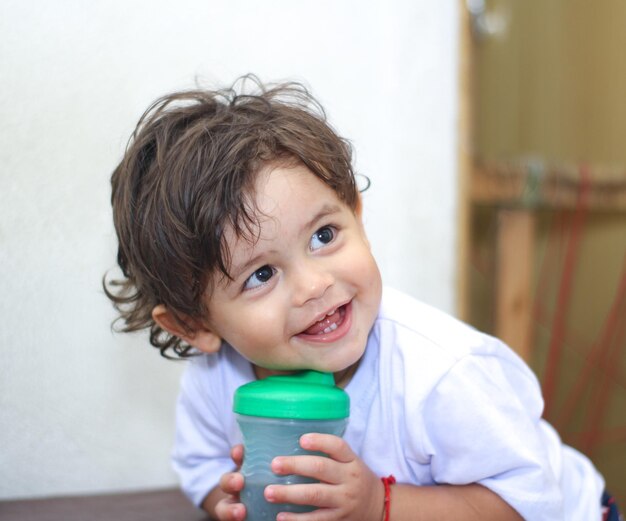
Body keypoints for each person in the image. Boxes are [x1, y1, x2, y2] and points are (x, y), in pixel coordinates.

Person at [105, 76, 615, 521]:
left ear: (357, 215)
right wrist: (231, 498)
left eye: (323, 236)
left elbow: (532, 504)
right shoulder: (215, 382)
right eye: (261, 274)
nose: (314, 285)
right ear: (195, 326)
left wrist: (380, 507)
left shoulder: (442, 375)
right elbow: (203, 469)